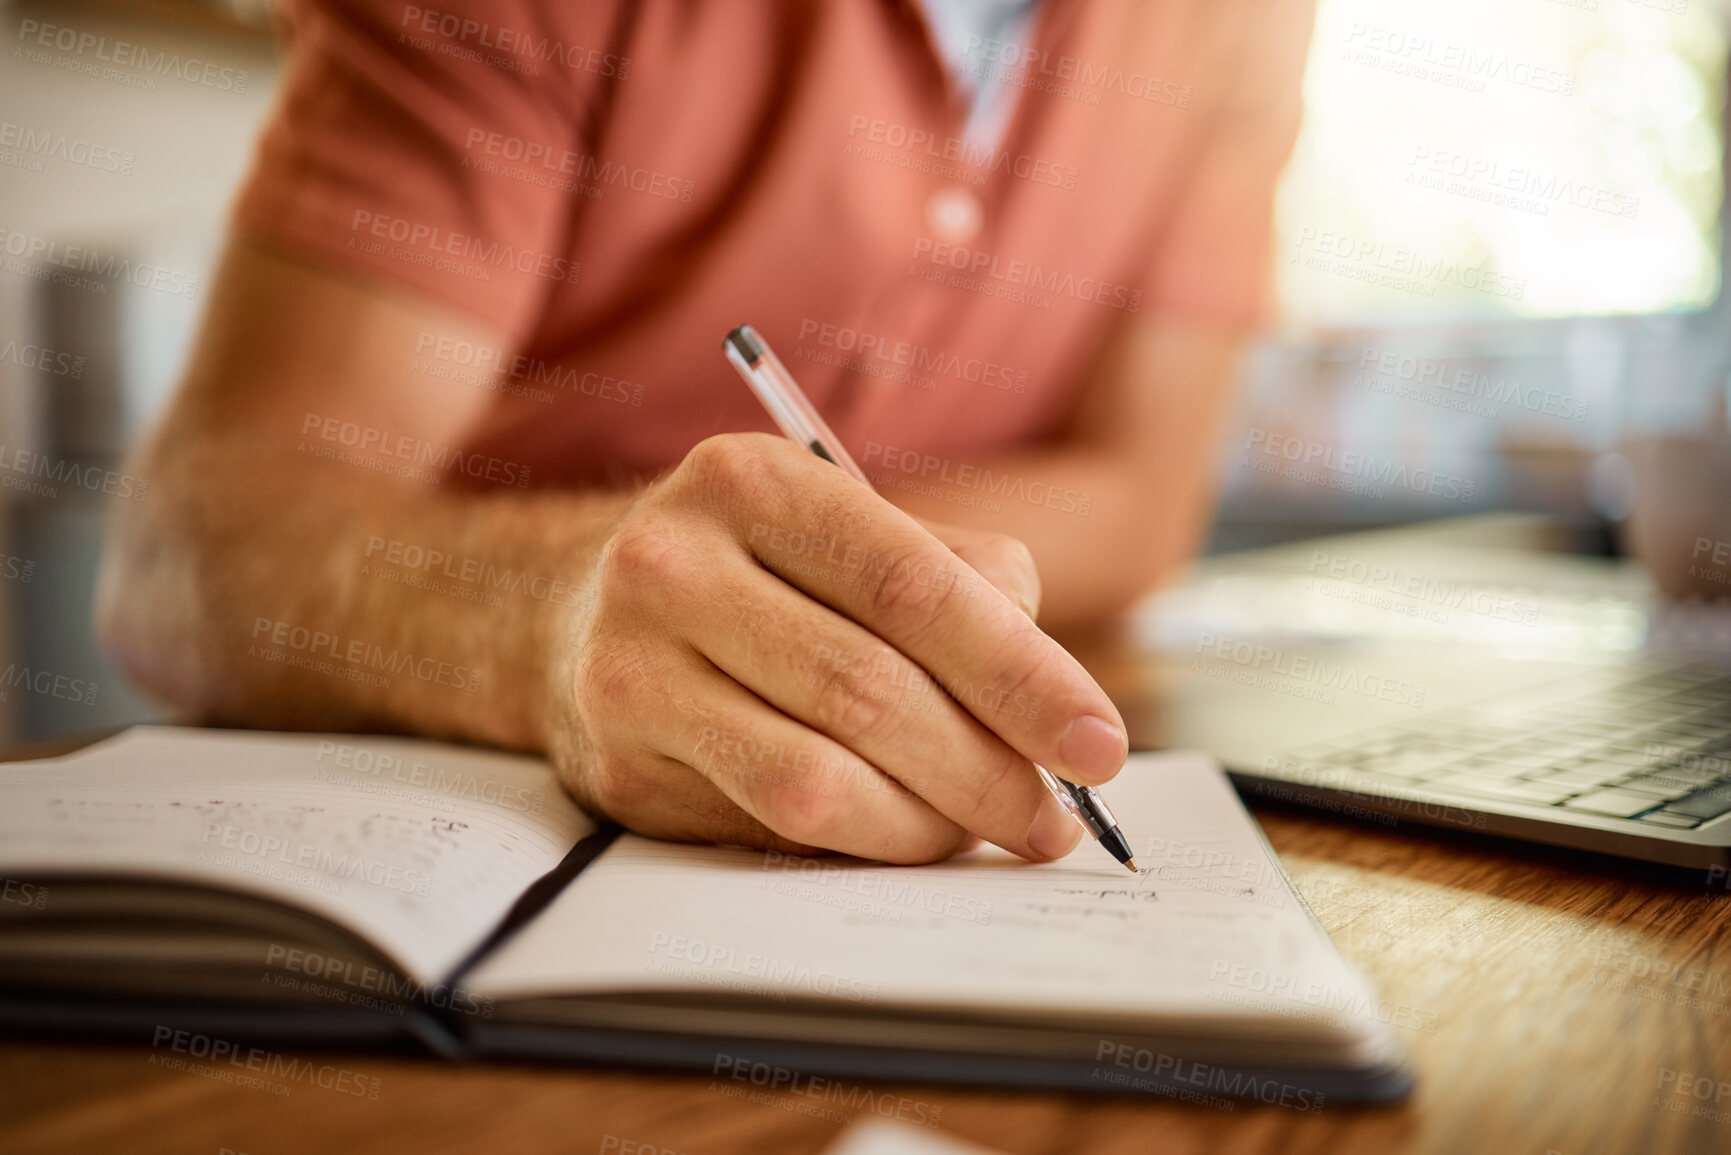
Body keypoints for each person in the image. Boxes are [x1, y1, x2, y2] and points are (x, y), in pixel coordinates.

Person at [96, 0, 1314, 866]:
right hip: (453, 829)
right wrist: (555, 619)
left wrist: (817, 579)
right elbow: (194, 552)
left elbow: (1144, 496)